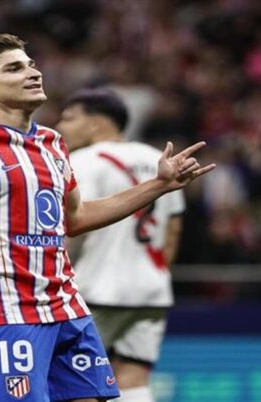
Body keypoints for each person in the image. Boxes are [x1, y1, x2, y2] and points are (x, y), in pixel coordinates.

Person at [0, 34, 215, 402]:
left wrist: (158, 185)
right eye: (15, 68)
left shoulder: (52, 142)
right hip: (1, 308)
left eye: (31, 64)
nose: (33, 72)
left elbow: (75, 217)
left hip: (65, 304)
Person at [56, 89, 184, 402]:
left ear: (97, 123)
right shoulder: (159, 159)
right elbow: (172, 230)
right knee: (133, 380)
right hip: (152, 289)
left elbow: (74, 226)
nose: (61, 125)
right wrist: (155, 274)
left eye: (70, 118)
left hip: (96, 288)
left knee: (75, 382)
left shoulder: (82, 161)